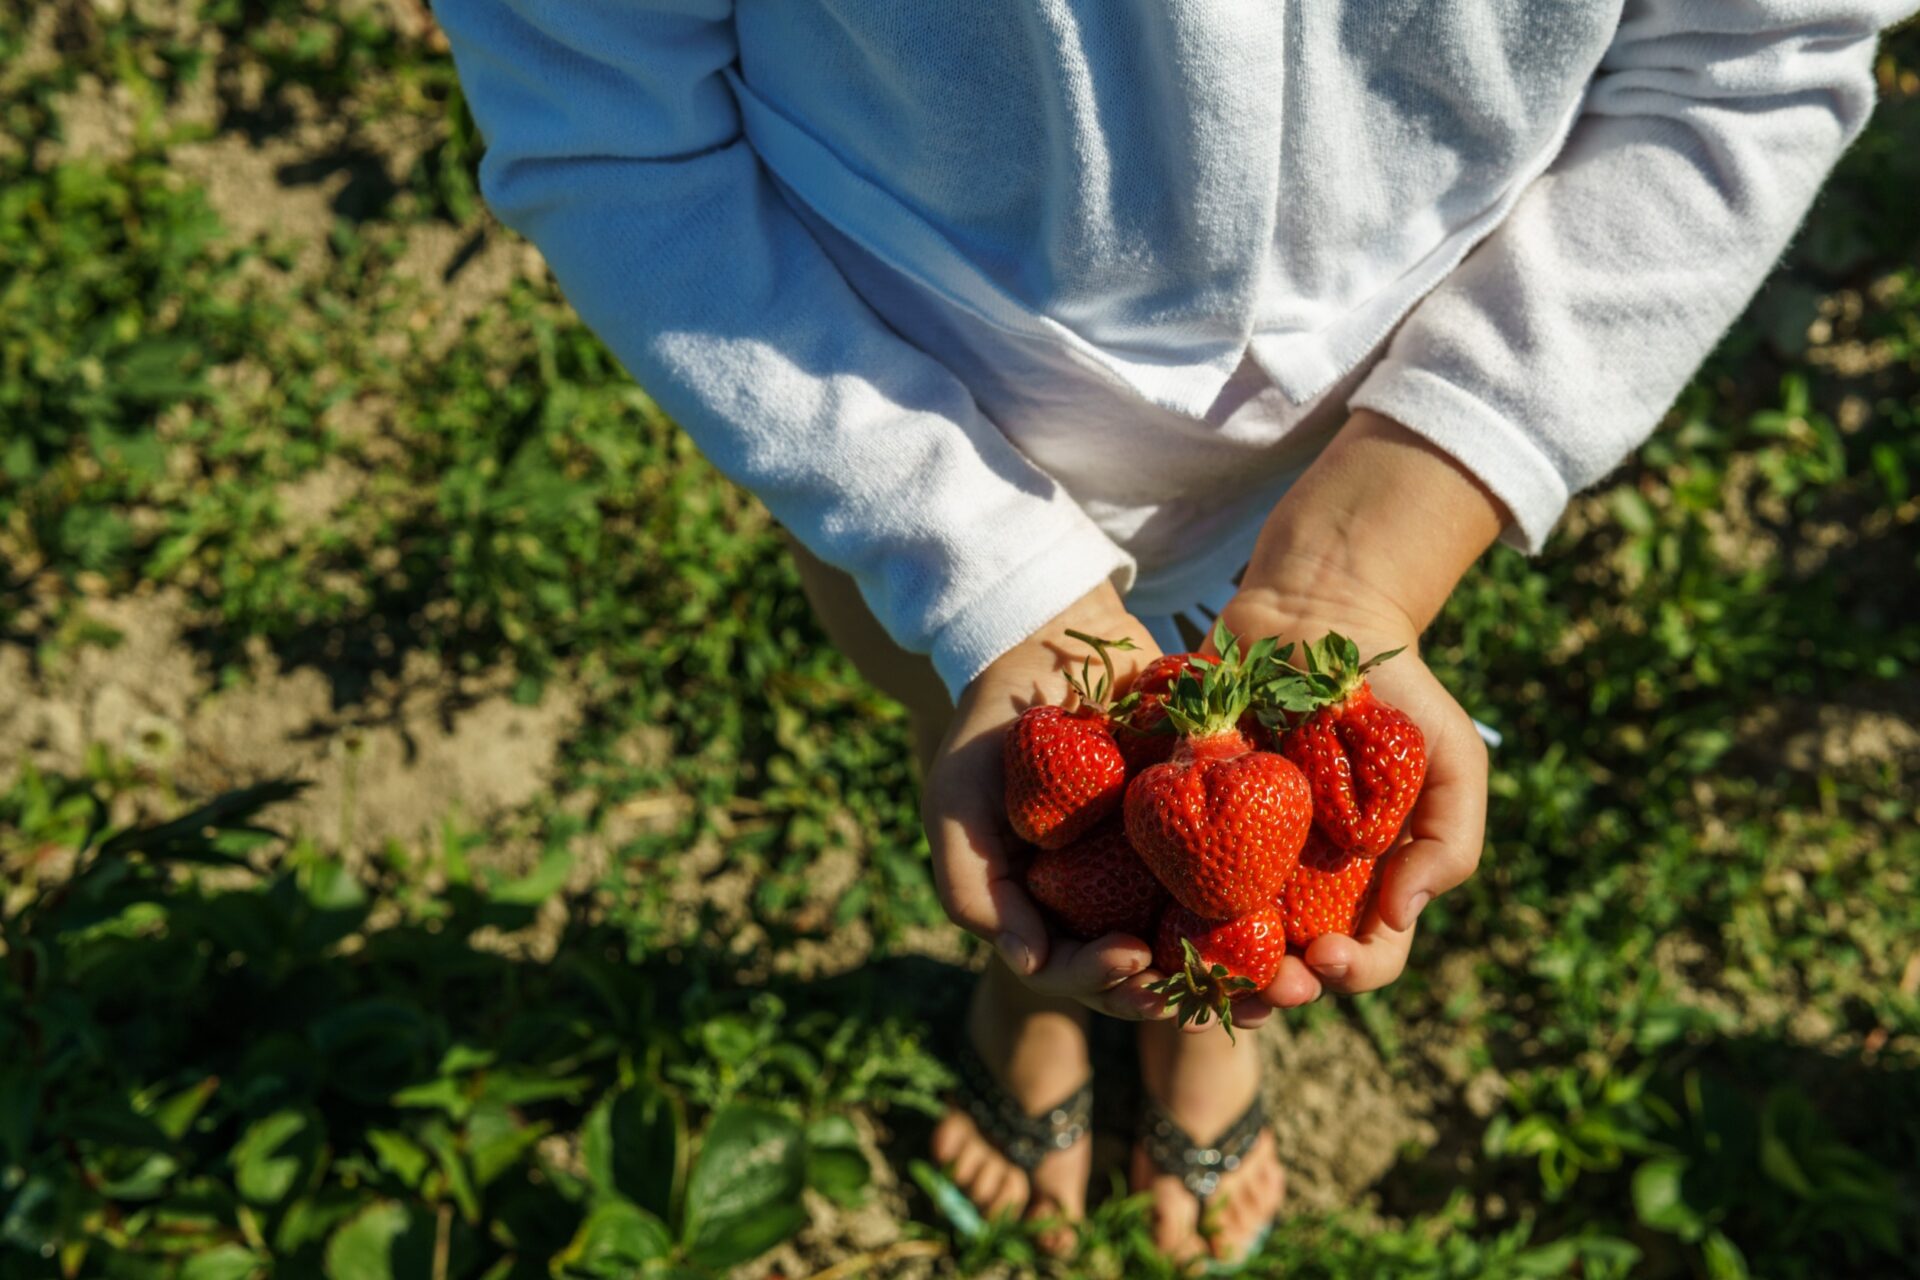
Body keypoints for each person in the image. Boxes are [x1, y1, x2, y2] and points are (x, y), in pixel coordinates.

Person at [435, 0, 1911, 1262]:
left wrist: (1375, 546)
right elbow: (607, 116)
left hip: (1393, 409)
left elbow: (1752, 52)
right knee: (970, 717)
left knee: (1145, 803)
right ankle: (1089, 958)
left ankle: (1209, 990)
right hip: (896, 396)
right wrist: (981, 573)